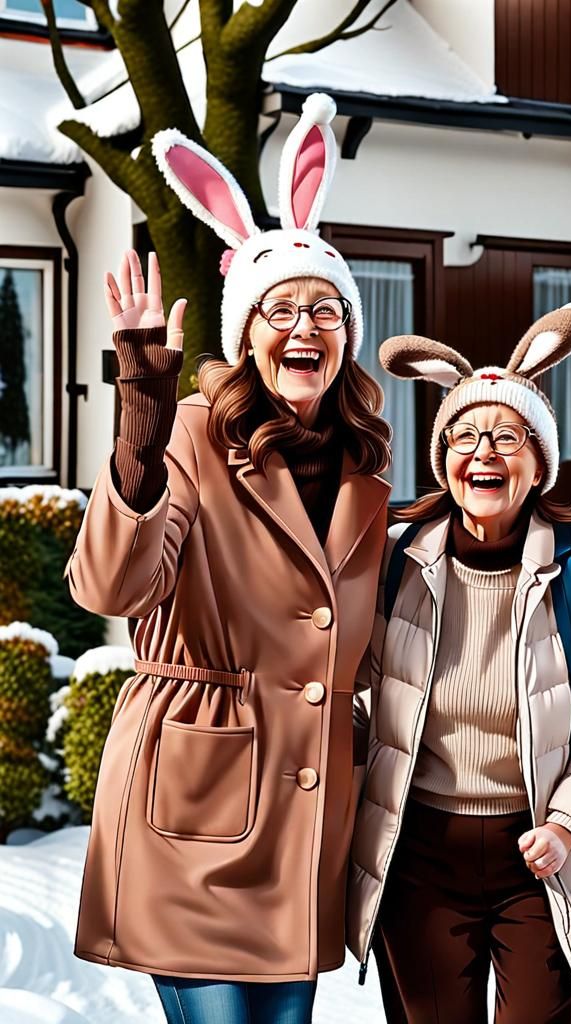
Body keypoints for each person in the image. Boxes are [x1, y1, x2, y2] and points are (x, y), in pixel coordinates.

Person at [65, 95, 391, 1024]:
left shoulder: (368, 471)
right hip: (196, 797)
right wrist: (140, 422)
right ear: (247, 333)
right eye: (280, 308)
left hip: (303, 817)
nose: (304, 326)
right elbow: (111, 585)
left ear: (347, 337)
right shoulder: (194, 434)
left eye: (326, 308)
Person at [345, 305, 571, 1023]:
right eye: (465, 435)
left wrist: (570, 824)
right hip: (417, 853)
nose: (484, 452)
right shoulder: (395, 557)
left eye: (508, 437)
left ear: (539, 462)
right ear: (442, 457)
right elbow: (352, 695)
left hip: (541, 856)